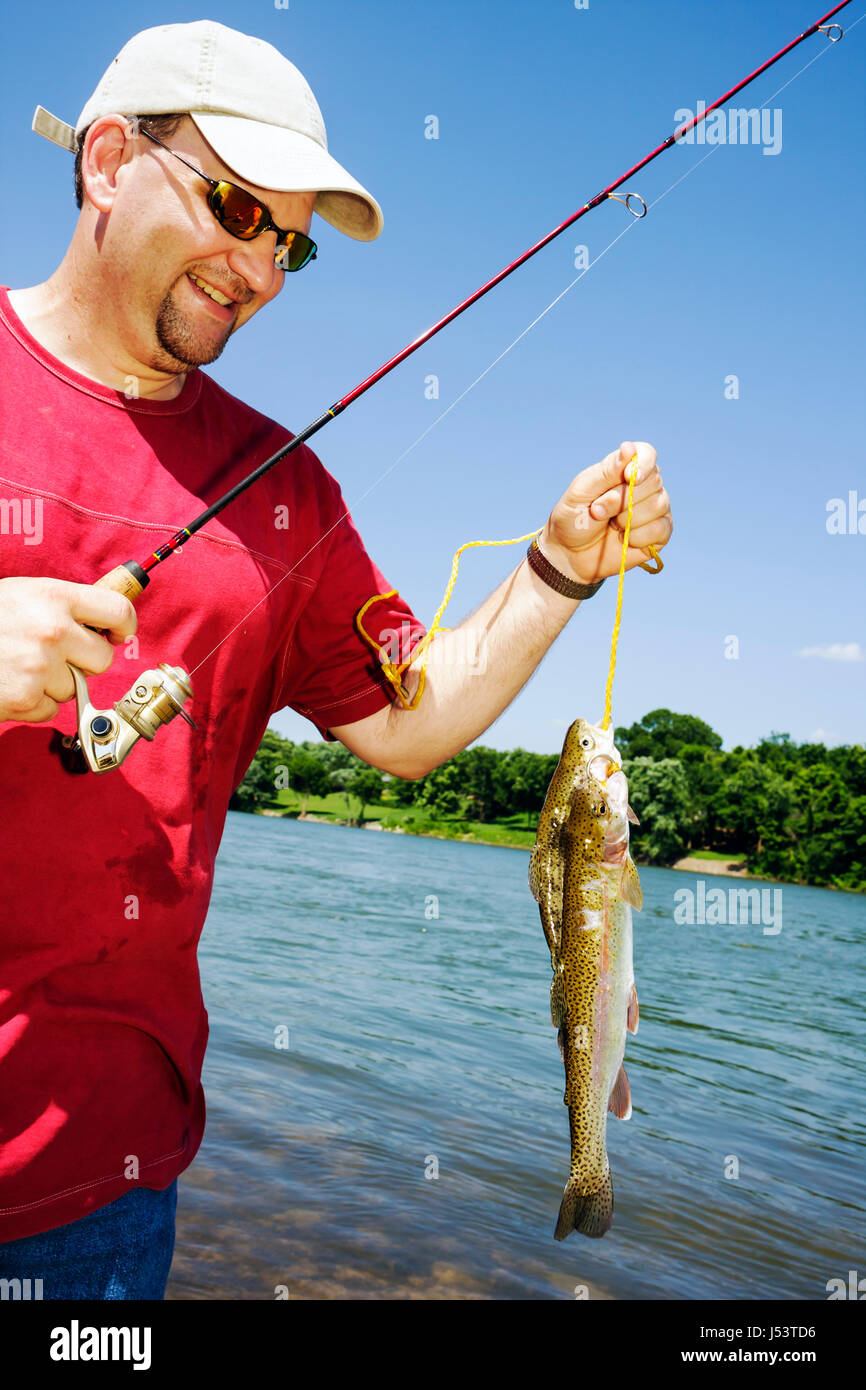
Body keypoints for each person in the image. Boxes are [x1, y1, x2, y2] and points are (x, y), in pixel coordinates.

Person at [0, 20, 672, 1298]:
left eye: (288, 242)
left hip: (101, 1191)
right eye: (238, 207)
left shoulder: (287, 495)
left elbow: (408, 725)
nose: (258, 266)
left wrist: (558, 565)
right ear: (102, 162)